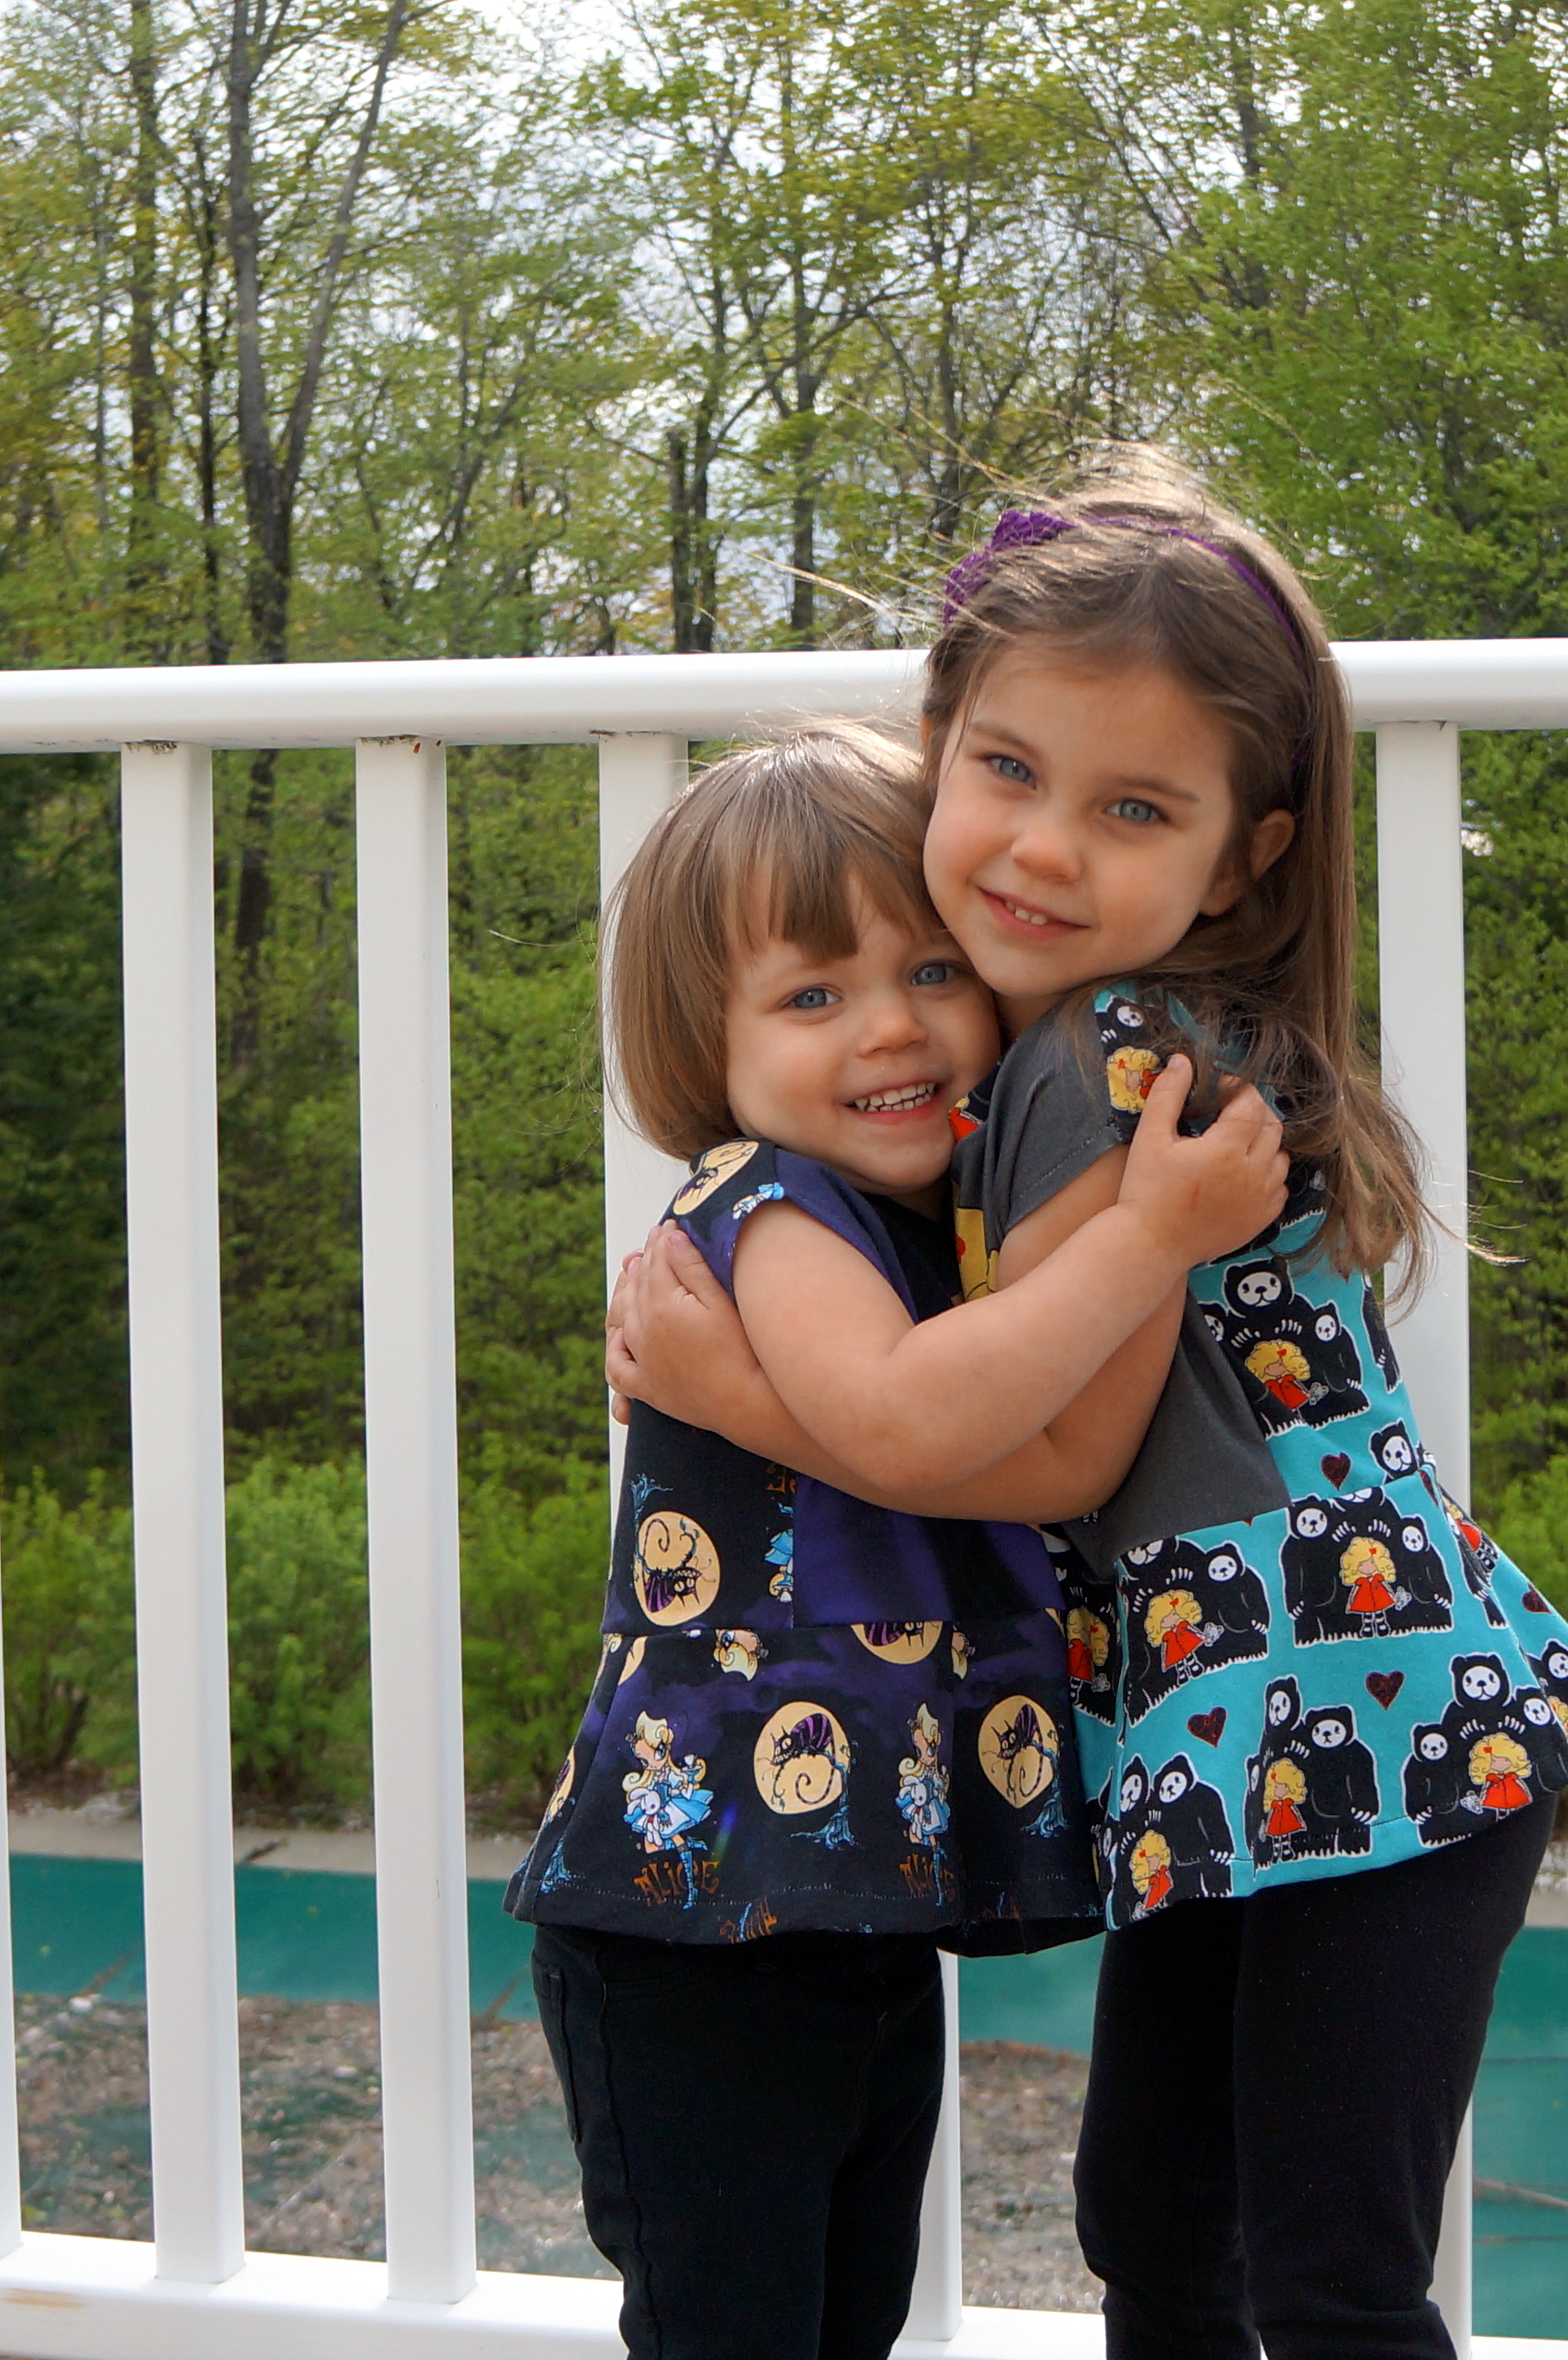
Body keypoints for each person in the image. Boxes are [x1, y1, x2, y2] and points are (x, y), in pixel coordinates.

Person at [608, 453, 1568, 2360]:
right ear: (940, 747)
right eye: (1009, 771)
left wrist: (740, 1392)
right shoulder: (1093, 1044)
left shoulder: (1114, 1059)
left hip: (1350, 1734)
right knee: (1169, 2230)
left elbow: (1048, 1452)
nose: (1046, 850)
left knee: (1318, 2278)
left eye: (1134, 807)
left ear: (1247, 852)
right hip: (1273, 1733)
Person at [512, 722, 1286, 2360]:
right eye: (813, 996)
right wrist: (1148, 1234)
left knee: (841, 2323)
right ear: (706, 1041)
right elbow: (904, 1419)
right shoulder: (769, 1203)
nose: (891, 1026)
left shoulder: (936, 1234)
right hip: (693, 1914)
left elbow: (1057, 1461)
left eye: (932, 971)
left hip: (844, 1907)